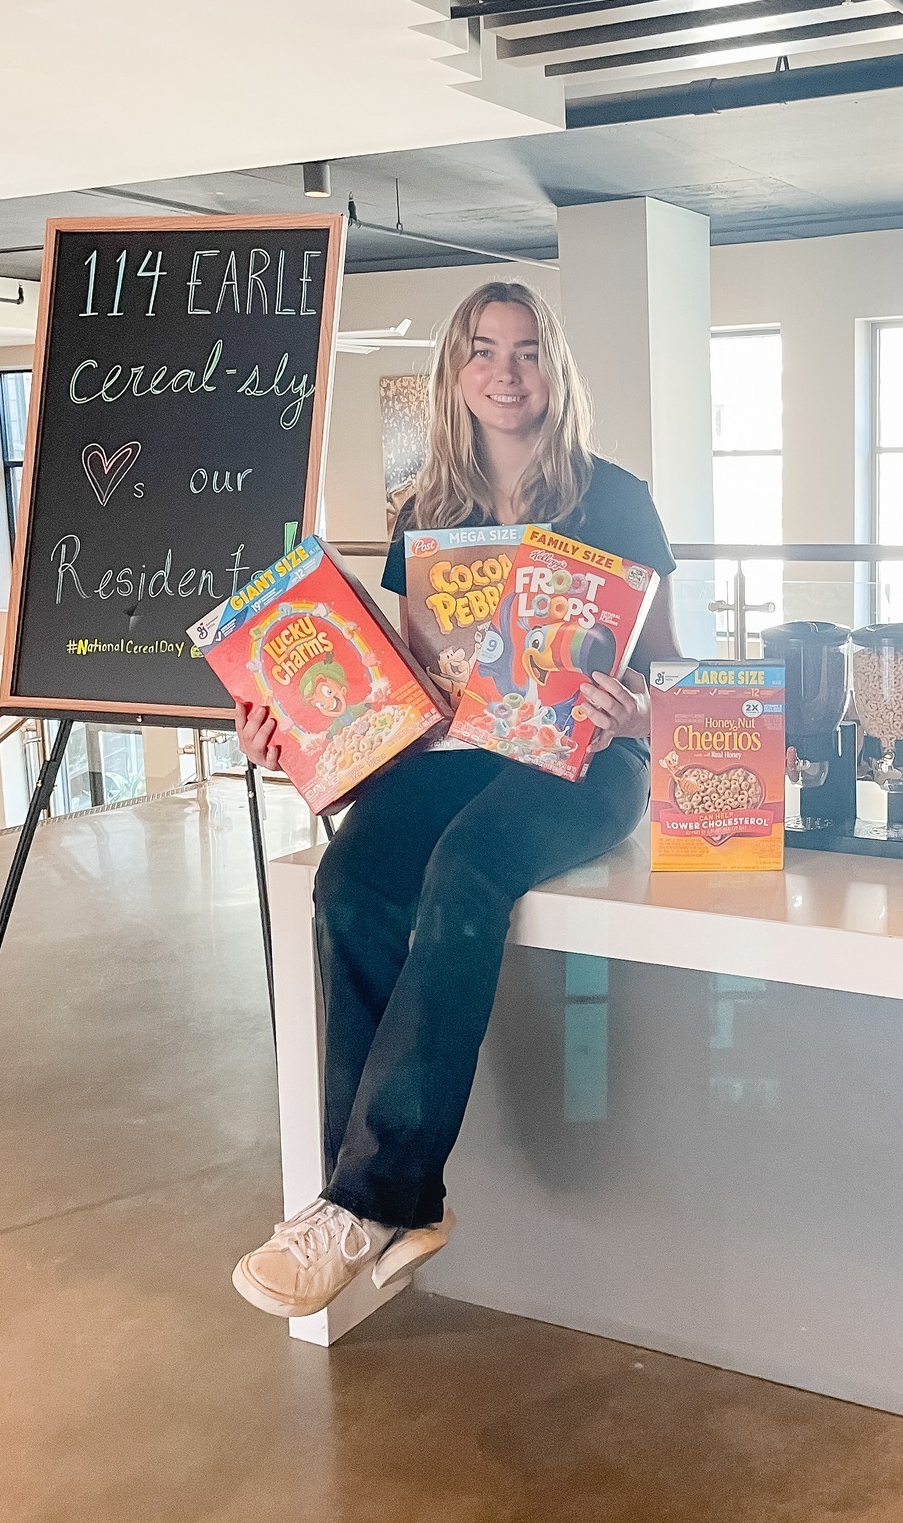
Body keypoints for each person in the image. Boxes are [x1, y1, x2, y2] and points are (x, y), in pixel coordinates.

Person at [230, 281, 680, 1318]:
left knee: (466, 867)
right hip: (462, 756)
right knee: (349, 880)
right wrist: (292, 735)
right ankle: (384, 1199)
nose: (504, 371)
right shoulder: (424, 514)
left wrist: (633, 710)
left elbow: (670, 678)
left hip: (587, 763)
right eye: (483, 349)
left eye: (526, 350)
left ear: (554, 368)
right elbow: (412, 691)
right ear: (455, 371)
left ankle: (367, 1201)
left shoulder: (617, 499)